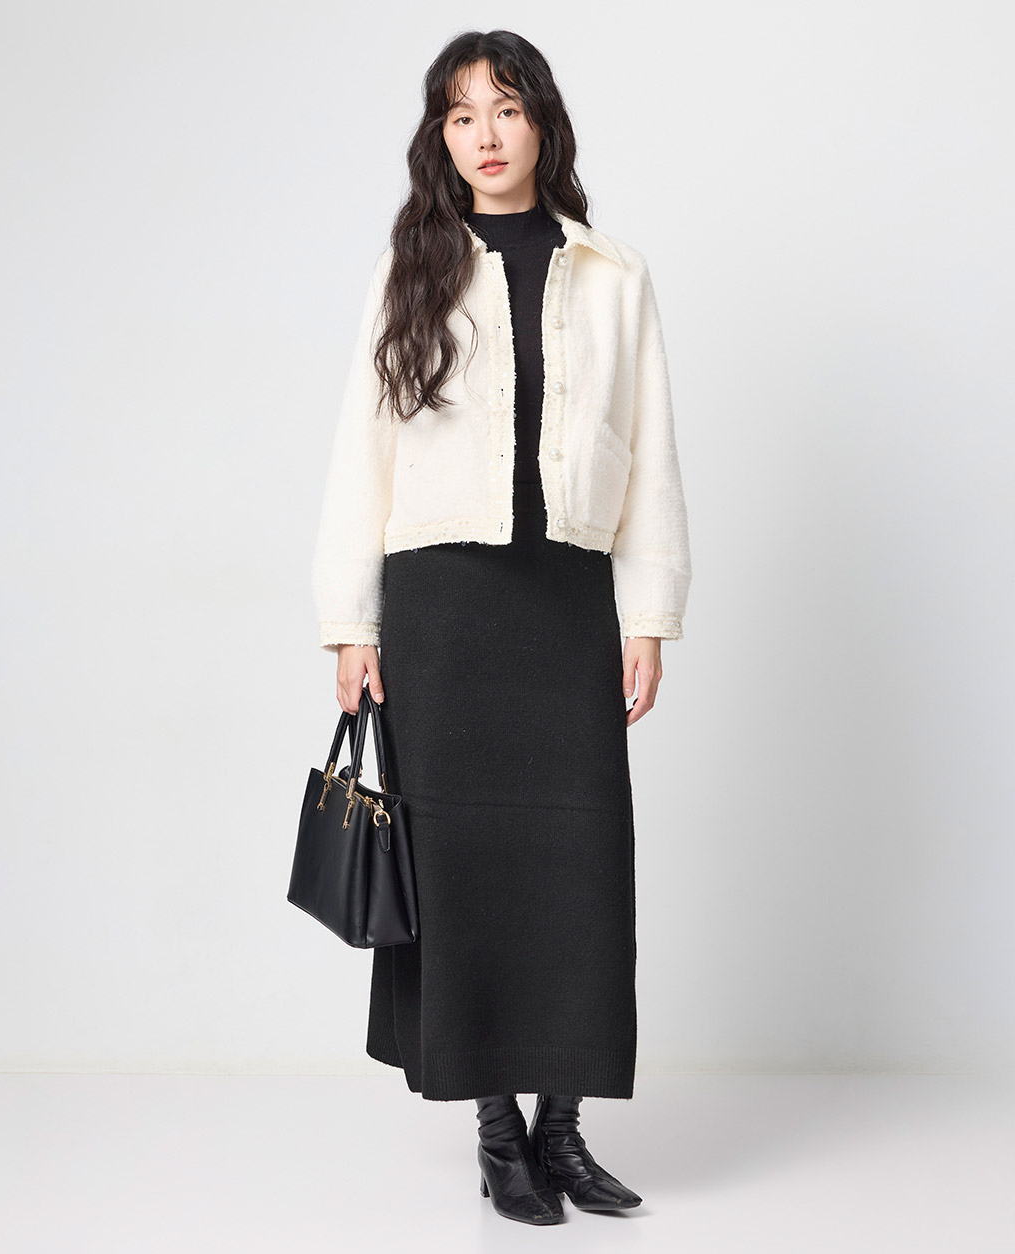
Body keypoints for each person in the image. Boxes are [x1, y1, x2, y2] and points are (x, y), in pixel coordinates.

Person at [311, 29, 691, 1226]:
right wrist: (349, 622)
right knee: (464, 870)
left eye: (506, 109)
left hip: (565, 598)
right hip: (442, 609)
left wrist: (648, 613)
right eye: (461, 113)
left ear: (542, 126)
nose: (484, 134)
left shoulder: (613, 274)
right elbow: (362, 450)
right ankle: (496, 1134)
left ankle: (562, 1131)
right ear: (441, 135)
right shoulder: (411, 267)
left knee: (581, 866)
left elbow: (649, 453)